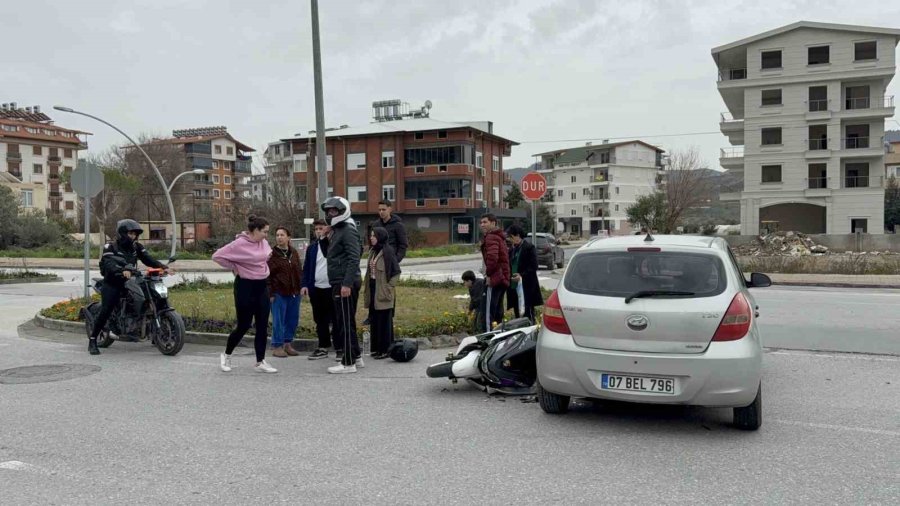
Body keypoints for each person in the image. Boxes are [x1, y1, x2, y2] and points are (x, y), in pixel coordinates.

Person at [88, 219, 169, 355]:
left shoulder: (136, 247)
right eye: (130, 233)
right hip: (113, 282)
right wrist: (121, 270)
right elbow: (108, 263)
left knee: (152, 297)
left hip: (131, 280)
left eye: (135, 234)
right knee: (106, 309)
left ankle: (155, 334)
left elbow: (148, 259)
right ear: (122, 233)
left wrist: (163, 267)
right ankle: (92, 340)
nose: (133, 236)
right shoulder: (110, 247)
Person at [212, 214, 277, 374]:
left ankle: (260, 361)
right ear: (255, 230)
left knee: (262, 325)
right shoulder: (239, 244)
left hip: (261, 285)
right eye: (264, 231)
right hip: (245, 286)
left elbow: (266, 256)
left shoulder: (264, 242)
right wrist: (235, 266)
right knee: (244, 325)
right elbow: (217, 256)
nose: (266, 235)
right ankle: (226, 355)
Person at [321, 197, 364, 374]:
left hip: (345, 282)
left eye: (334, 211)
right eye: (328, 211)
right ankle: (357, 356)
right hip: (339, 281)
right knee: (346, 321)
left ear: (342, 211)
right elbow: (328, 255)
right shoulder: (338, 230)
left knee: (344, 323)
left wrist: (346, 284)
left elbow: (355, 257)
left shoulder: (347, 230)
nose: (331, 214)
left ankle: (348, 363)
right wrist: (324, 237)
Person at [301, 219, 336, 360]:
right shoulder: (312, 248)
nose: (318, 231)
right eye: (316, 229)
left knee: (335, 318)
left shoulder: (332, 245)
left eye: (321, 228)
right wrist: (304, 285)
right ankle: (323, 347)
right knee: (320, 319)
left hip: (331, 288)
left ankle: (339, 347)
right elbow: (307, 268)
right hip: (316, 288)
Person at [363, 228, 401, 359]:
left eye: (374, 236)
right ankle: (376, 348)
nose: (371, 238)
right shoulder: (373, 251)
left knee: (384, 321)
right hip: (373, 289)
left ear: (381, 237)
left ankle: (385, 350)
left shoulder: (387, 251)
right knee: (374, 319)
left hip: (384, 291)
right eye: (371, 235)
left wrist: (389, 287)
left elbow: (396, 272)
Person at [267, 226, 303, 358]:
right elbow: (267, 275)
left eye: (282, 235)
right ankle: (277, 345)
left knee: (292, 319)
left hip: (294, 292)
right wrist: (270, 293)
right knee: (278, 320)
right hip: (278, 292)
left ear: (288, 237)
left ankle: (288, 344)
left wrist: (302, 287)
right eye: (277, 235)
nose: (279, 237)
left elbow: (299, 270)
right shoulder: (271, 254)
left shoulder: (293, 252)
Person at [505, 225, 543, 323]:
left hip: (526, 285)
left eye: (511, 237)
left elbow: (534, 266)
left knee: (527, 312)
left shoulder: (529, 248)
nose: (510, 240)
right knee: (518, 311)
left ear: (517, 236)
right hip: (514, 285)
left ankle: (530, 330)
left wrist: (521, 275)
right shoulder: (512, 250)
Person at [479, 213, 510, 331]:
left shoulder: (491, 237)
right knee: (498, 311)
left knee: (487, 313)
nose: (482, 225)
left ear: (493, 223)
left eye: (485, 222)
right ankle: (499, 336)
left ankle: (487, 338)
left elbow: (492, 258)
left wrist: (489, 275)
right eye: (481, 222)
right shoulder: (499, 237)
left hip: (495, 279)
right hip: (502, 278)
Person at [461, 270, 486, 335]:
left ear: (469, 281)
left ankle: (481, 334)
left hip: (483, 306)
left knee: (479, 322)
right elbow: (473, 300)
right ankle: (475, 332)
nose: (464, 284)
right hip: (479, 306)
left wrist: (470, 309)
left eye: (464, 282)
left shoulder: (477, 285)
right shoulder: (472, 285)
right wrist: (470, 309)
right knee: (475, 319)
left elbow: (475, 300)